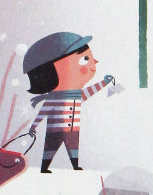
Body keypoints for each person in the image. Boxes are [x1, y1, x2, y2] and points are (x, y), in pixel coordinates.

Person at [24, 31, 114, 172]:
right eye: (85, 59)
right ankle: (44, 167)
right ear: (51, 70)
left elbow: (89, 92)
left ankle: (74, 165)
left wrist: (104, 83)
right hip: (56, 129)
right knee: (51, 147)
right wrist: (33, 127)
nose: (94, 63)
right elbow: (43, 112)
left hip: (73, 128)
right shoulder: (54, 98)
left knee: (73, 147)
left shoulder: (76, 94)